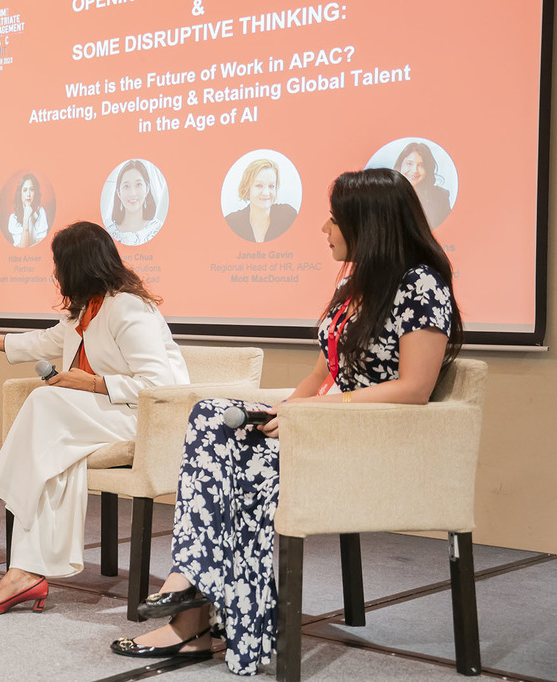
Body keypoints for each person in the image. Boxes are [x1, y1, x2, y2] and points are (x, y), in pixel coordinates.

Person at [111, 168, 463, 675]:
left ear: (369, 223)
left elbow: (415, 388)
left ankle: (191, 613)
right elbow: (322, 374)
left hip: (373, 444)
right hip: (325, 430)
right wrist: (285, 410)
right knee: (212, 416)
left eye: (334, 218)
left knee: (239, 471)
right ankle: (194, 599)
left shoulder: (422, 284)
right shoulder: (357, 285)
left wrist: (312, 412)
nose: (324, 228)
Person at [0, 221, 189, 614]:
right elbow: (41, 342)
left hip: (147, 420)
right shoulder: (86, 309)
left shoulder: (128, 307)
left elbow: (159, 385)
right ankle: (23, 572)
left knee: (46, 403)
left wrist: (92, 383)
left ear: (78, 266)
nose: (55, 274)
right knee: (49, 455)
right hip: (106, 416)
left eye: (58, 265)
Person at [224, 158, 298, 243]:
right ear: (247, 188)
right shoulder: (232, 222)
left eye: (271, 186)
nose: (266, 193)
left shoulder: (288, 216)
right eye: (259, 185)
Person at [394, 141, 452, 229]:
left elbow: (447, 229)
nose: (415, 170)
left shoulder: (441, 196)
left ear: (427, 169)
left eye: (421, 165)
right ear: (400, 165)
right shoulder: (385, 193)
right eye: (409, 163)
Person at [106, 160, 163, 246]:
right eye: (126, 186)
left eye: (138, 185)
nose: (133, 193)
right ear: (118, 193)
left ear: (147, 189)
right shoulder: (108, 231)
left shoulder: (157, 228)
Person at [7, 173, 49, 247]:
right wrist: (26, 218)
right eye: (25, 190)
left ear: (35, 193)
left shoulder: (40, 211)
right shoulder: (13, 219)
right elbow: (23, 247)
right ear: (20, 194)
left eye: (31, 190)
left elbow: (42, 242)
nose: (28, 194)